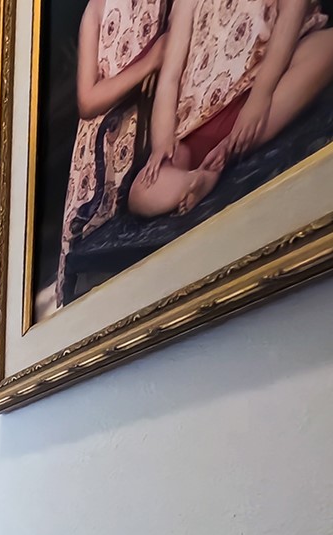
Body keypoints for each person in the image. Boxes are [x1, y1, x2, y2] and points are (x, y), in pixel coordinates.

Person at [130, 0, 333, 217]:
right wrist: (162, 143)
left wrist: (259, 97)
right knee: (141, 192)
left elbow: (294, 10)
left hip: (265, 89)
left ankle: (227, 150)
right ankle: (196, 179)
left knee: (327, 47)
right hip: (198, 118)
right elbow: (169, 75)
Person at [56, 0, 169, 307]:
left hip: (144, 135)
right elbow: (88, 100)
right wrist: (150, 61)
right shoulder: (96, 10)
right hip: (101, 152)